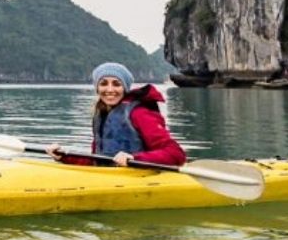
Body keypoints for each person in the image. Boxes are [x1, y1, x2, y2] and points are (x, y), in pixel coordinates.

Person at [48, 62, 185, 167]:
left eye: (116, 84)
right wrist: (64, 156)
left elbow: (176, 154)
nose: (109, 89)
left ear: (124, 88)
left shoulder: (139, 113)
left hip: (140, 178)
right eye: (103, 84)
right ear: (97, 88)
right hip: (112, 177)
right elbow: (98, 160)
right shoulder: (102, 114)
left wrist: (134, 159)